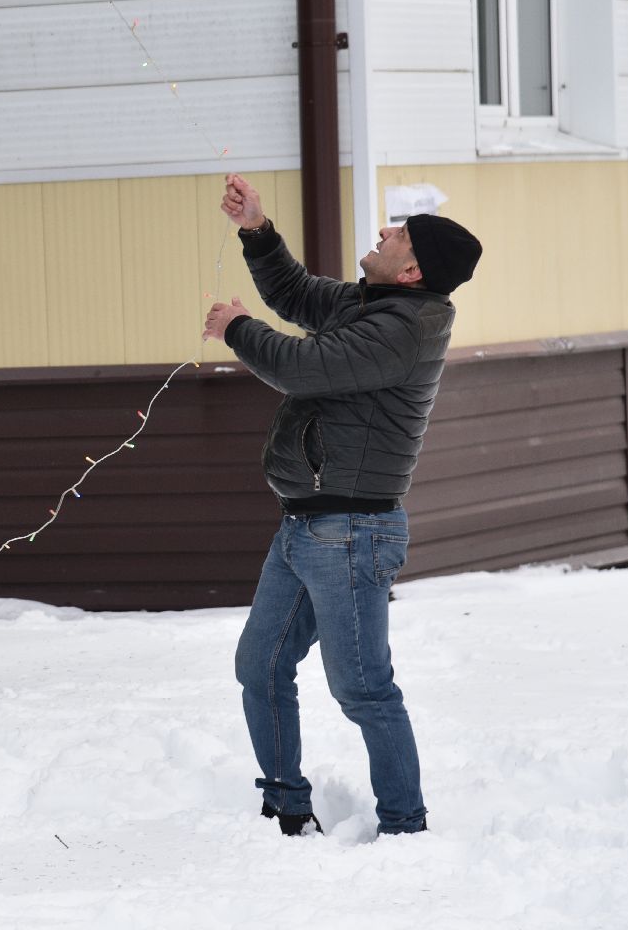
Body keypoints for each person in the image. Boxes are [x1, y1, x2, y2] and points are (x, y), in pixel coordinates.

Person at [201, 173, 482, 838]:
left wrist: (238, 327)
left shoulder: (404, 329)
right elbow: (297, 294)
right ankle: (286, 807)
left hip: (353, 531)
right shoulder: (372, 304)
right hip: (308, 525)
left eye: (398, 234)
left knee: (362, 689)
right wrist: (257, 229)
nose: (383, 232)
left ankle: (405, 827)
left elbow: (303, 367)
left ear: (412, 269)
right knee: (260, 666)